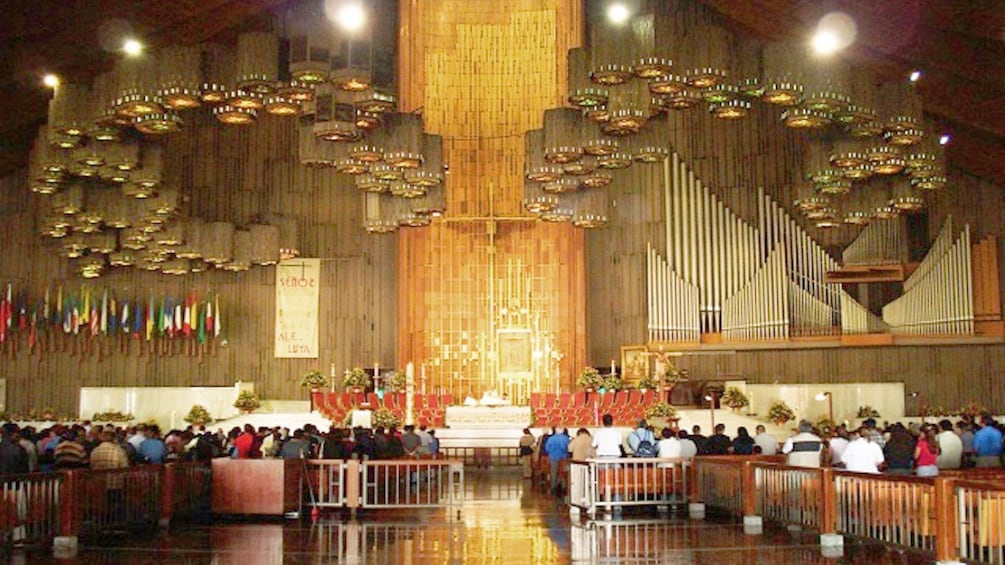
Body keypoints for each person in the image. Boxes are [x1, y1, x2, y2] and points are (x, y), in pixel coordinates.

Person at [543, 428, 570, 495]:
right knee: (563, 472)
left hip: (553, 456)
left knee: (553, 472)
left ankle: (553, 487)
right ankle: (563, 486)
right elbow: (568, 448)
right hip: (563, 457)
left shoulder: (551, 438)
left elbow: (547, 448)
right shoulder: (565, 438)